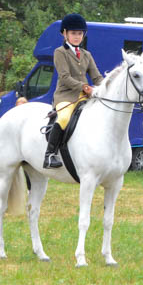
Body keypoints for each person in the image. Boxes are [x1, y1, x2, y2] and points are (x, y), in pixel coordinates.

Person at [44, 13, 102, 169]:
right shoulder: (60, 52)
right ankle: (50, 154)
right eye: (73, 33)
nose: (77, 37)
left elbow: (96, 77)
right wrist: (84, 87)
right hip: (66, 96)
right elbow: (64, 77)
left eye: (79, 34)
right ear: (65, 34)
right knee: (63, 118)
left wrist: (106, 88)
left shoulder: (87, 55)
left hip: (84, 97)